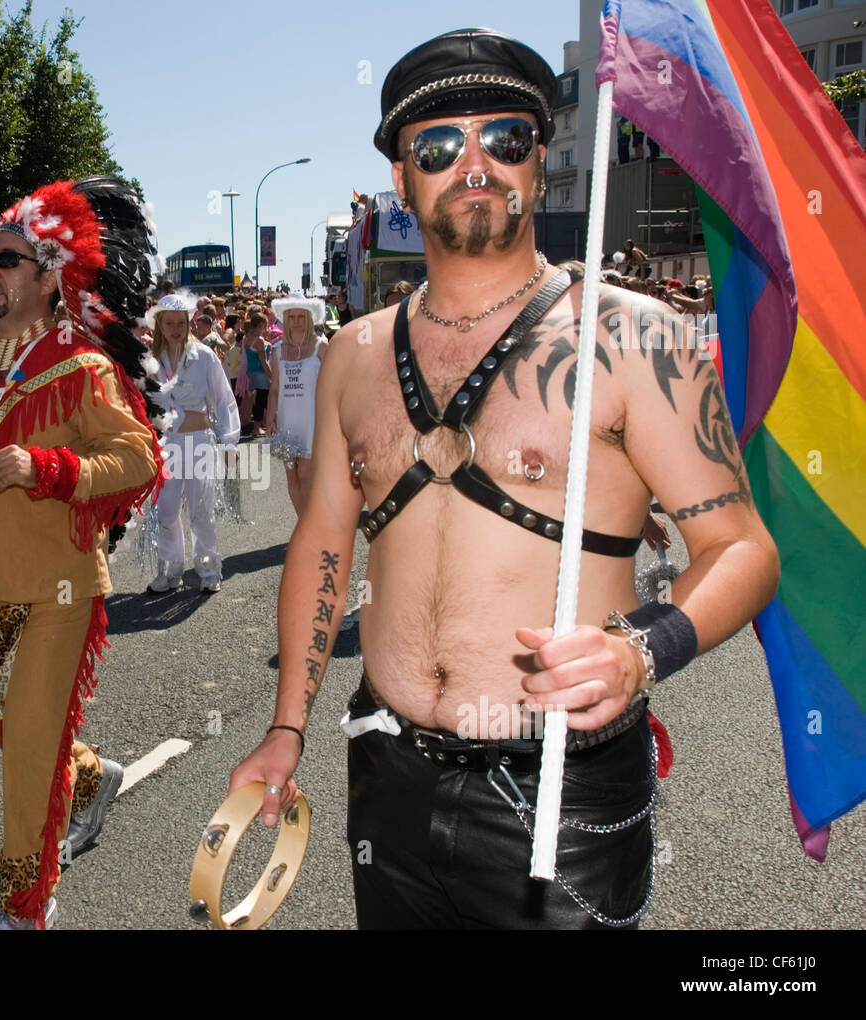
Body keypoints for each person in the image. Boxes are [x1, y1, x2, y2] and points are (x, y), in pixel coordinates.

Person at [229, 28, 780, 930]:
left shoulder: (634, 338)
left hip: (562, 792)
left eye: (506, 138)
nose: (474, 162)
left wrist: (642, 649)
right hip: (387, 774)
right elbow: (323, 538)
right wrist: (287, 728)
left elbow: (743, 550)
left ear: (540, 161)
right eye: (439, 147)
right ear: (402, 183)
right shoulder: (353, 356)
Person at [0, 177, 163, 929]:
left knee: (25, 749)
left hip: (59, 588)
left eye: (6, 260)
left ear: (48, 277)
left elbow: (141, 459)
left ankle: (26, 905)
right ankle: (90, 777)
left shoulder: (82, 369)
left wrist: (51, 469)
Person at [145, 293, 240, 594]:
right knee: (167, 509)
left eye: (180, 323)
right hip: (166, 444)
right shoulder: (149, 362)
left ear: (189, 323)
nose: (175, 329)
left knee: (201, 510)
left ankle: (209, 569)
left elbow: (224, 400)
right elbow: (141, 405)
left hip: (199, 442)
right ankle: (171, 571)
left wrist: (229, 441)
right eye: (169, 323)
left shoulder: (205, 356)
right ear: (160, 324)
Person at [264, 294, 328, 516]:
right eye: (293, 317)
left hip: (312, 420)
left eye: (302, 316)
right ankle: (304, 525)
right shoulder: (277, 350)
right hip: (287, 420)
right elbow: (274, 389)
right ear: (286, 319)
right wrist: (270, 418)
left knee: (305, 475)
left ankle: (309, 526)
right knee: (291, 474)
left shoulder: (321, 346)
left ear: (309, 318)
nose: (297, 321)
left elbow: (330, 387)